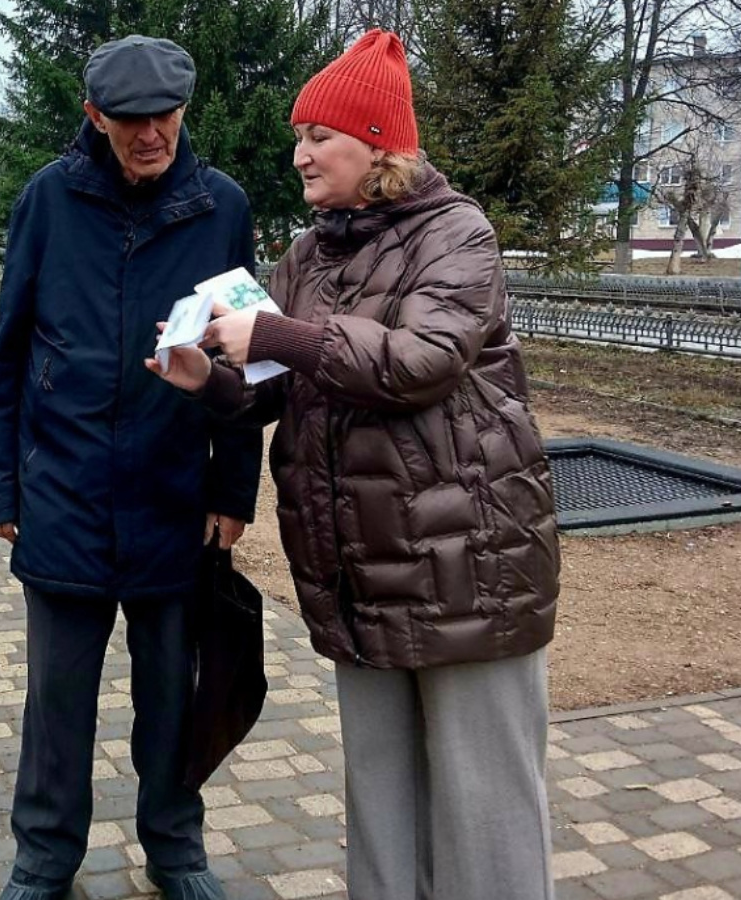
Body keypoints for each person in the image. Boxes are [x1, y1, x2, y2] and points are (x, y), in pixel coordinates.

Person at [148, 29, 562, 900]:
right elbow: (275, 390)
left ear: (378, 146)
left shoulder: (456, 234)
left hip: (466, 571)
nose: (300, 154)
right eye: (299, 137)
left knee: (484, 800)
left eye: (319, 136)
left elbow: (420, 362)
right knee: (380, 795)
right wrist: (209, 381)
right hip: (358, 572)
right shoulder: (309, 255)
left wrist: (278, 335)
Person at [0, 34, 263, 900]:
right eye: (131, 120)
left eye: (165, 116)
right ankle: (44, 858)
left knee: (172, 697)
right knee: (56, 704)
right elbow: (7, 352)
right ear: (94, 116)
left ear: (185, 109)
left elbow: (247, 365)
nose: (151, 135)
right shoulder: (47, 200)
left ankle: (175, 850)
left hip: (173, 497)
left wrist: (233, 490)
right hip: (60, 494)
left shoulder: (222, 207)